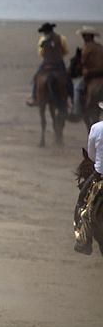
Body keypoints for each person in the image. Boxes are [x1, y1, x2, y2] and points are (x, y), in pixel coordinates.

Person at [75, 103, 103, 254]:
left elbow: (91, 155)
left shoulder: (96, 128)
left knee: (82, 203)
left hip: (100, 176)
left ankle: (84, 240)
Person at [25, 22, 73, 107]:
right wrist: (58, 55)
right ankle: (71, 99)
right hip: (59, 63)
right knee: (67, 79)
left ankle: (34, 98)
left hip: (46, 63)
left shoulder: (42, 40)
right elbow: (66, 51)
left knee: (36, 77)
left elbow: (40, 53)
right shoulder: (62, 38)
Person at [69, 26, 103, 121]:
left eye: (84, 36)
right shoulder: (100, 47)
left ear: (89, 36)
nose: (83, 37)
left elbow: (83, 62)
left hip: (91, 75)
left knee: (77, 88)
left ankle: (77, 111)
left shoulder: (87, 48)